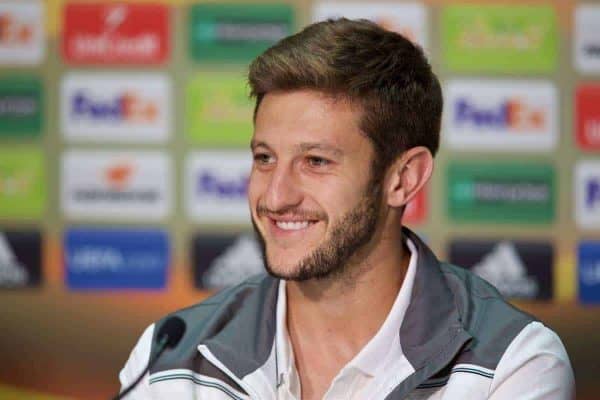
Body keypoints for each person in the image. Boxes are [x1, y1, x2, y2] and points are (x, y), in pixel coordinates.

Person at [119, 18, 575, 399]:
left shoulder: (511, 365)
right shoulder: (168, 364)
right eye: (264, 158)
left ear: (403, 178)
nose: (275, 197)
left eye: (315, 162)